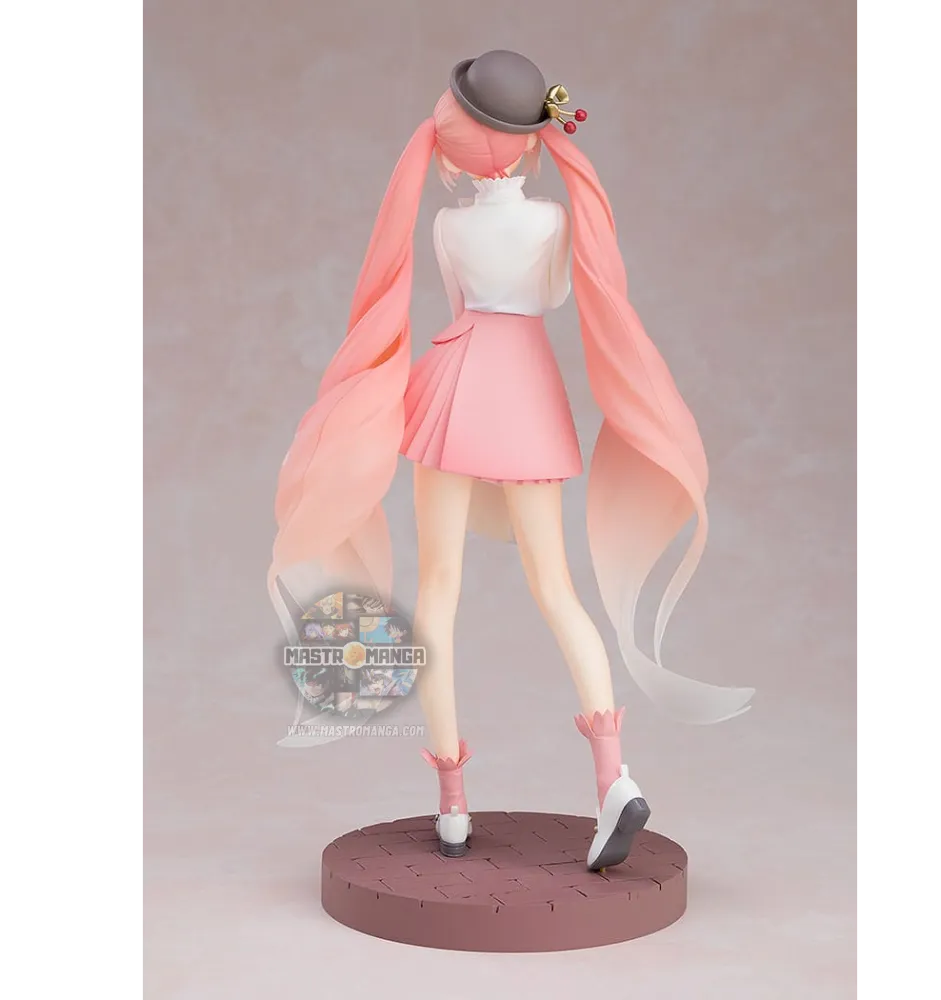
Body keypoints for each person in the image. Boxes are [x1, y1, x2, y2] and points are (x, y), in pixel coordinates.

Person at [269, 51, 754, 867]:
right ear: (532, 142)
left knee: (439, 589)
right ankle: (614, 777)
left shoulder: (446, 227)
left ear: (454, 154)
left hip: (453, 387)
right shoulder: (555, 221)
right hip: (528, 391)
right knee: (556, 587)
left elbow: (461, 301)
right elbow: (556, 295)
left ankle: (452, 803)